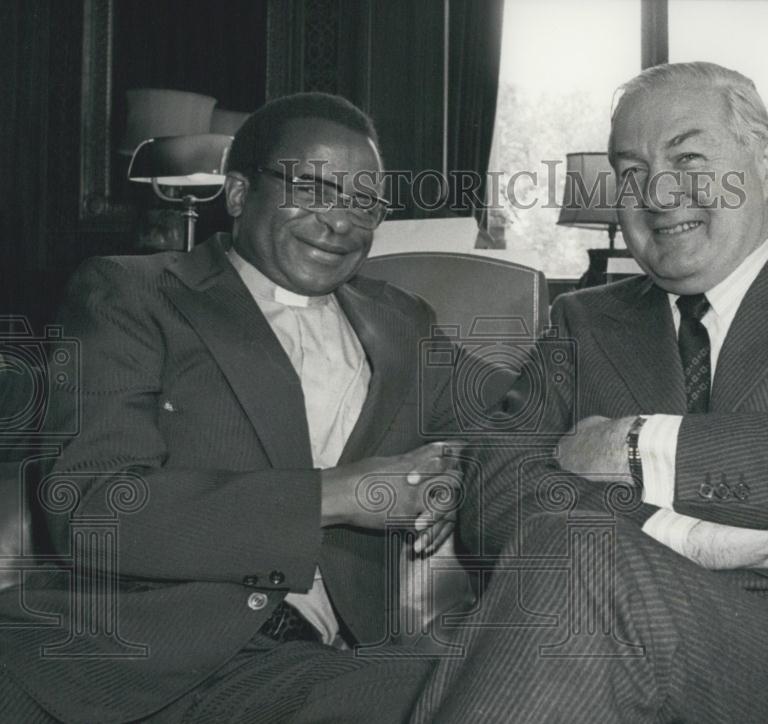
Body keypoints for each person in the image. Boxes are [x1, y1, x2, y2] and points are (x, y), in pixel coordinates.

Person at [415, 62, 768, 723]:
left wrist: (639, 445)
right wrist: (687, 536)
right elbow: (495, 495)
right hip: (610, 632)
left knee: (579, 559)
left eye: (688, 158)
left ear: (764, 165)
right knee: (574, 568)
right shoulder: (584, 321)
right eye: (631, 172)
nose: (659, 194)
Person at [0, 93, 469, 723]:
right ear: (241, 194)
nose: (341, 223)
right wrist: (336, 494)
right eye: (314, 188)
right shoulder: (133, 293)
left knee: (492, 682)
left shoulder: (403, 323)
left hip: (303, 673)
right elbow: (91, 508)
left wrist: (462, 461)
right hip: (103, 661)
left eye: (363, 201)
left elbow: (524, 415)